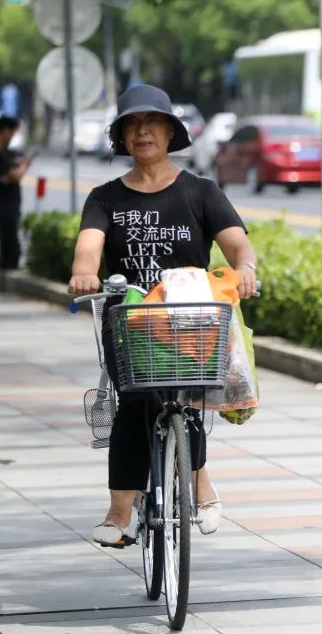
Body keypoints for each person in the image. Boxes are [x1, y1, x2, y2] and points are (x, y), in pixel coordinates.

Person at [68, 85, 258, 546]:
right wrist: (84, 273)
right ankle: (120, 514)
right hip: (130, 323)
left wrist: (246, 270)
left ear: (171, 132)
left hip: (191, 320)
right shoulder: (105, 198)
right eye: (132, 124)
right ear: (121, 137)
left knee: (186, 401)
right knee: (134, 402)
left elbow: (238, 245)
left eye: (152, 122)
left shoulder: (201, 191)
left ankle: (199, 481)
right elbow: (88, 248)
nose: (143, 132)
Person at [0, 115, 29, 273]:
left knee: (9, 246)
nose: (12, 137)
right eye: (12, 133)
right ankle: (6, 279)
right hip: (3, 208)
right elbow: (13, 176)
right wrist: (25, 166)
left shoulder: (6, 152)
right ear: (5, 131)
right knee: (10, 248)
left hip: (8, 206)